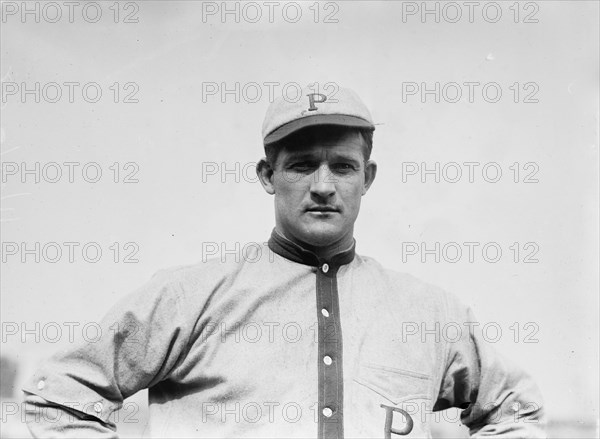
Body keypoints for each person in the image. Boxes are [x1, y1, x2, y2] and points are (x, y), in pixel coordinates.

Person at [22, 86, 546, 438]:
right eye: (300, 165)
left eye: (342, 166)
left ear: (369, 177)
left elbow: (515, 410)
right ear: (267, 175)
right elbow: (61, 391)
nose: (322, 186)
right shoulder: (192, 295)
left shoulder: (429, 313)